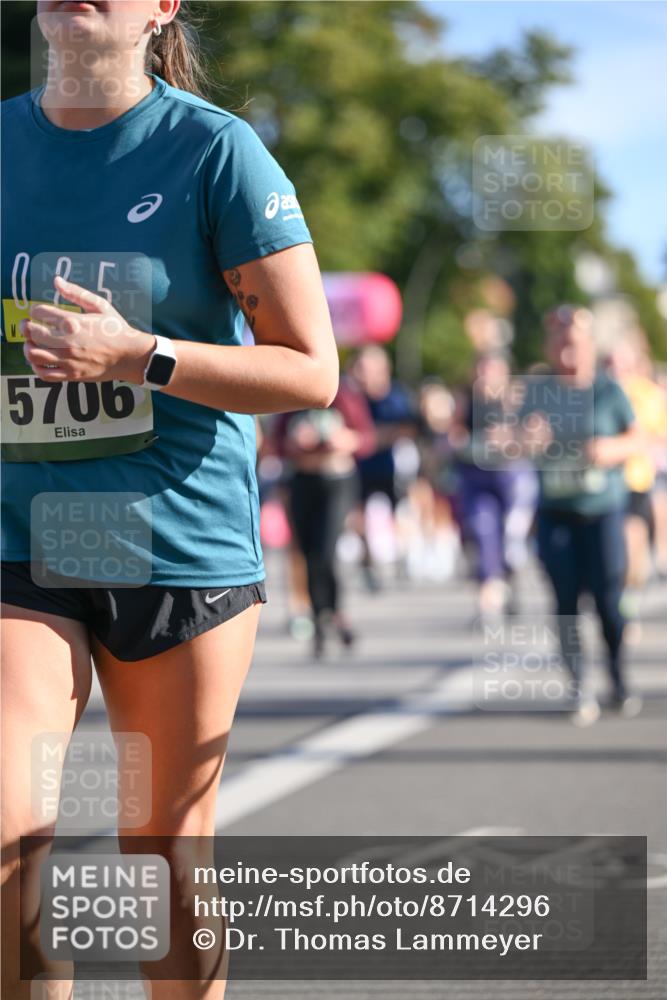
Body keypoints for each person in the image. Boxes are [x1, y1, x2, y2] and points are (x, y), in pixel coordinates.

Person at [0, 3, 338, 998]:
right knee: (10, 835)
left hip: (172, 539)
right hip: (22, 531)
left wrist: (138, 356)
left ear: (162, 9)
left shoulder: (216, 153)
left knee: (162, 853)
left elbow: (310, 371)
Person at [520, 305, 642, 726]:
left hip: (602, 511)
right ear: (549, 346)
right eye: (559, 340)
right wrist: (526, 438)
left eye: (574, 341)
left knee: (608, 601)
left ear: (589, 346)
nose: (567, 349)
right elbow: (509, 442)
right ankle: (578, 683)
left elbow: (636, 439)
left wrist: (608, 450)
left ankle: (618, 676)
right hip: (556, 512)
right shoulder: (536, 391)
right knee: (566, 601)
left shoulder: (608, 391)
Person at [272, 379, 376, 657]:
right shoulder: (292, 396)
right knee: (307, 554)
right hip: (302, 481)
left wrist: (344, 439)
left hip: (336, 479)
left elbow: (366, 438)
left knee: (325, 550)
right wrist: (296, 442)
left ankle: (334, 612)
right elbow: (278, 443)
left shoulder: (344, 396)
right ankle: (322, 616)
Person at [451, 352, 530, 618]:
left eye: (493, 371)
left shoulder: (515, 400)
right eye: (483, 371)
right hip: (476, 477)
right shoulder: (467, 401)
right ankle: (489, 591)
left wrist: (509, 439)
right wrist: (465, 443)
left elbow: (531, 438)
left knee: (511, 536)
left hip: (510, 477)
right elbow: (454, 436)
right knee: (483, 530)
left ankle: (510, 581)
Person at [606, 332, 667, 632]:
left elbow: (659, 434)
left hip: (636, 482)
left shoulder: (648, 396)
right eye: (611, 364)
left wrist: (632, 443)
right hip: (601, 488)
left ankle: (625, 601)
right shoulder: (597, 393)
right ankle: (611, 602)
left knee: (632, 550)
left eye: (622, 364)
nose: (616, 370)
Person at [349, 345, 417, 588]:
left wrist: (373, 438)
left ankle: (403, 557)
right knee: (357, 514)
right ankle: (367, 562)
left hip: (391, 465)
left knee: (400, 511)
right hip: (361, 466)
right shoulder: (353, 398)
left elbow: (409, 429)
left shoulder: (397, 396)